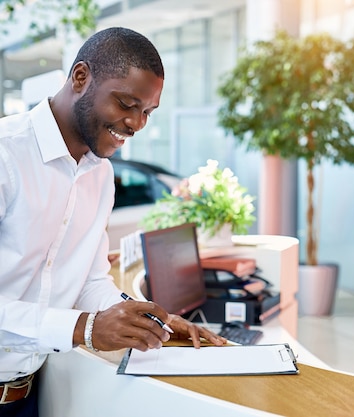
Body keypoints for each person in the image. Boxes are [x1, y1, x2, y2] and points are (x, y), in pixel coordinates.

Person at [0, 27, 226, 416]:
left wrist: (150, 319)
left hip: (25, 398)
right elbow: (85, 321)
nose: (137, 123)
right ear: (81, 77)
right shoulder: (7, 155)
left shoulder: (99, 175)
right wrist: (85, 328)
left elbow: (89, 282)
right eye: (126, 103)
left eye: (147, 113)